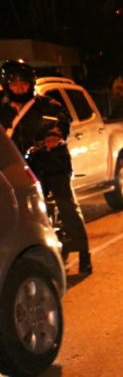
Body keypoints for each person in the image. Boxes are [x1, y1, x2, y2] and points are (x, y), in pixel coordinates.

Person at [0, 60, 91, 275]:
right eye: (14, 84)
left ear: (31, 84)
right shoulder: (2, 110)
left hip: (52, 164)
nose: (19, 88)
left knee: (66, 204)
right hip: (20, 167)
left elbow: (61, 122)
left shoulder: (48, 104)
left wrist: (54, 136)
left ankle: (84, 253)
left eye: (23, 84)